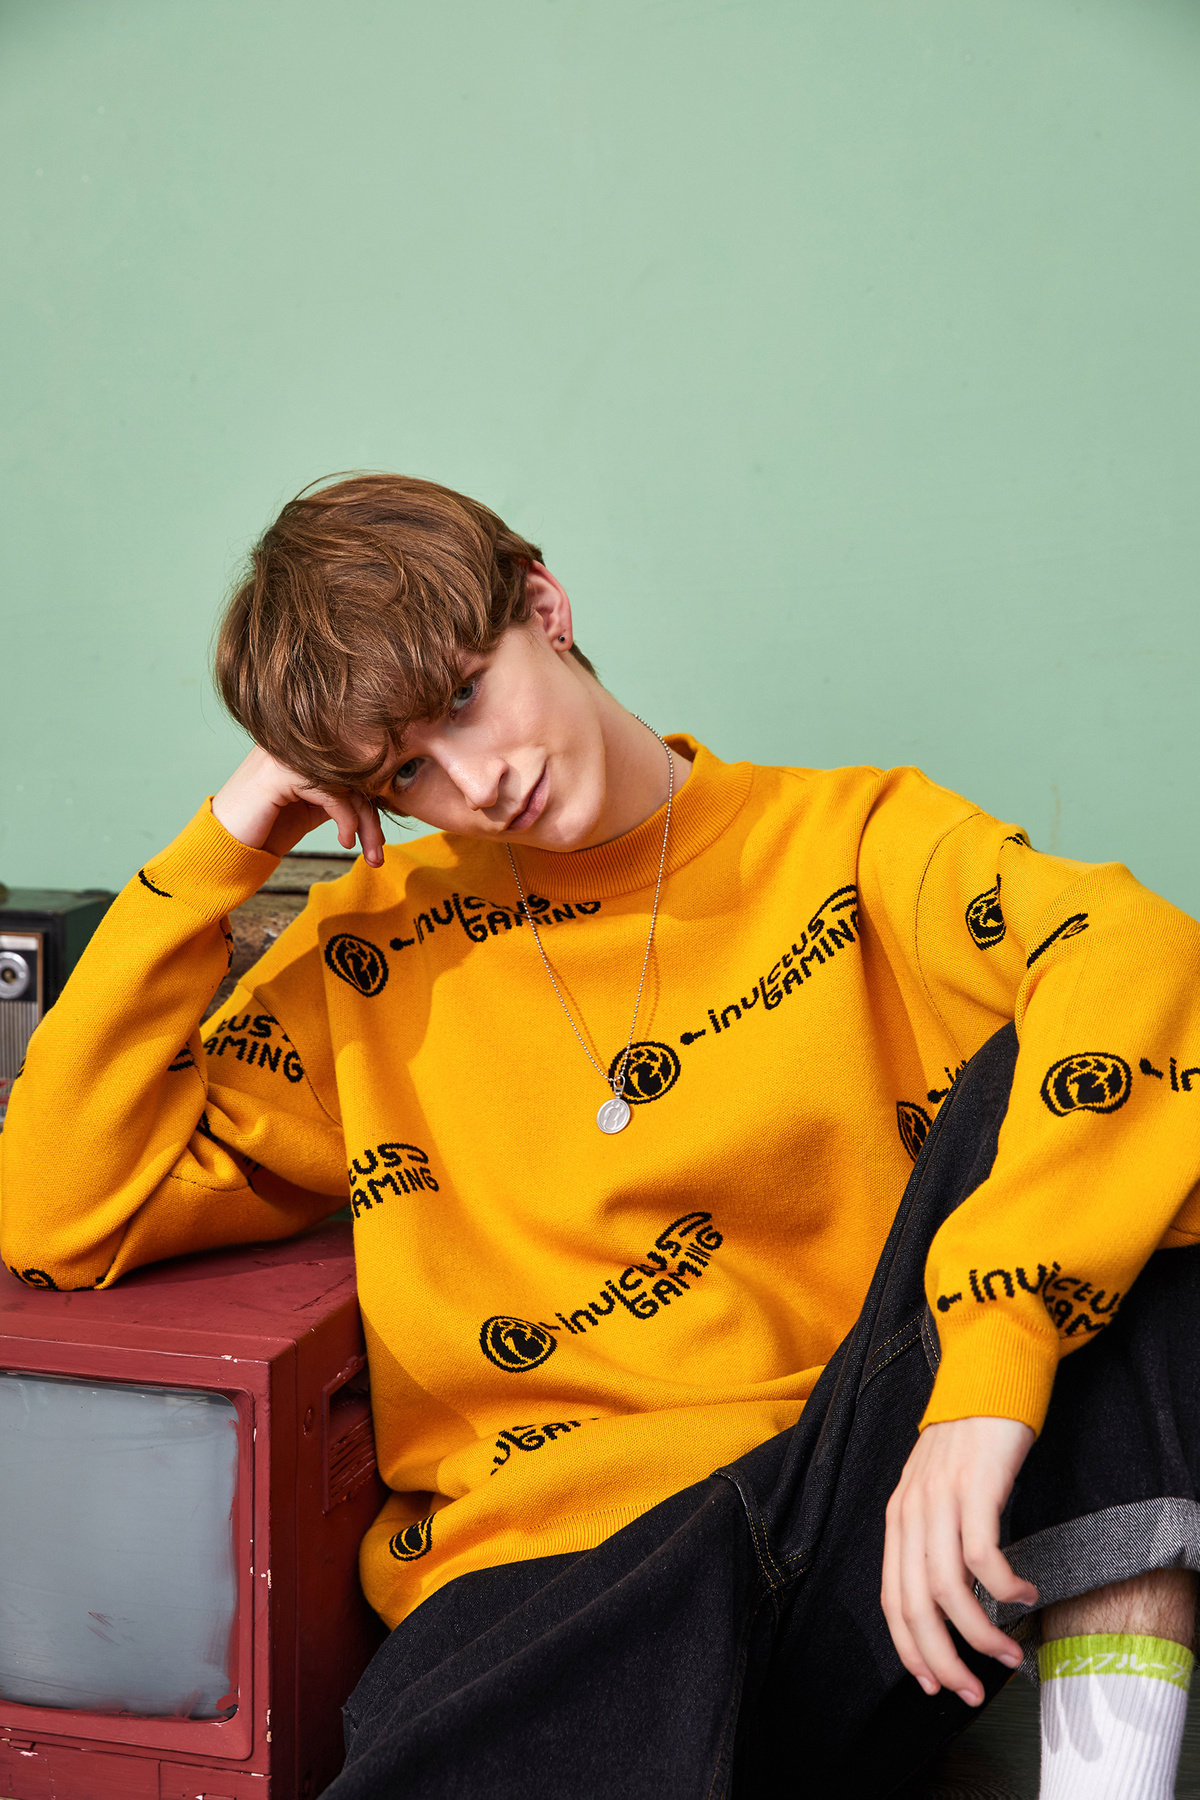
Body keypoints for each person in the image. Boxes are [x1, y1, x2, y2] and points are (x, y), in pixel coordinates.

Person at [3, 472, 1200, 1800]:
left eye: (465, 698)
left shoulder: (853, 844)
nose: (476, 782)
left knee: (1119, 1103)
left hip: (855, 1534)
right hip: (546, 1587)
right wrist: (226, 840)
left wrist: (986, 1376)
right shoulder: (371, 951)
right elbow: (61, 1214)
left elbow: (1145, 959)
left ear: (544, 606)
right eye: (407, 771)